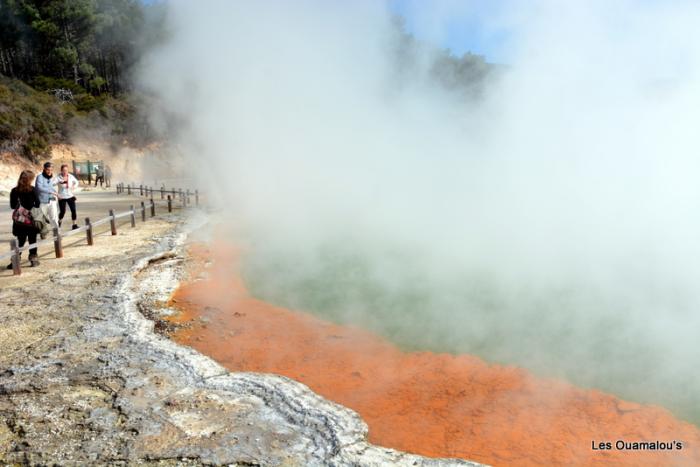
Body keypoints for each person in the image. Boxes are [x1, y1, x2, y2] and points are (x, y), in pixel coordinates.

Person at [7, 170, 40, 268]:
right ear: (30, 179)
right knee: (32, 240)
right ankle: (33, 260)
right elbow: (37, 204)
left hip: (19, 221)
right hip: (30, 220)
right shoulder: (33, 190)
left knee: (20, 240)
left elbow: (13, 206)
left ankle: (15, 261)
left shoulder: (14, 191)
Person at [34, 161, 59, 227]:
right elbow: (39, 188)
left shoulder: (51, 177)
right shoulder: (40, 177)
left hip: (52, 200)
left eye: (51, 170)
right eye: (48, 170)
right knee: (42, 218)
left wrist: (56, 193)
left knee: (54, 217)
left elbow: (51, 187)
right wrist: (50, 192)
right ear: (44, 169)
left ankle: (56, 231)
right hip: (42, 201)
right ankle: (43, 232)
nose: (49, 171)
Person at [56, 164, 80, 229]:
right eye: (63, 170)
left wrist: (73, 187)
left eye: (66, 170)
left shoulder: (70, 176)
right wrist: (56, 194)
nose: (65, 172)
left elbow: (77, 182)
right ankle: (59, 221)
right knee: (62, 211)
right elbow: (52, 184)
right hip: (62, 197)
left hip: (70, 195)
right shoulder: (58, 177)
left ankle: (74, 225)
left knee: (73, 210)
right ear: (61, 171)